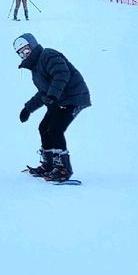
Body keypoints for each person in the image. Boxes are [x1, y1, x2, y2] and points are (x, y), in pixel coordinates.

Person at [14, 33, 91, 182]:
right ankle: (48, 164)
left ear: (33, 46)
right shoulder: (36, 69)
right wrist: (28, 109)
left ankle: (63, 168)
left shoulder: (48, 55)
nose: (25, 54)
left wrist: (53, 96)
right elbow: (43, 92)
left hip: (73, 97)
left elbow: (62, 74)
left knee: (55, 129)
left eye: (26, 50)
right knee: (44, 127)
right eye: (21, 53)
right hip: (58, 99)